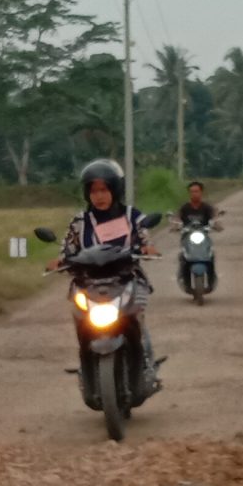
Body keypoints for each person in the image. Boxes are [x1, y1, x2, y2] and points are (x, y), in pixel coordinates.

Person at [58, 157, 163, 389]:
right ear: (87, 194)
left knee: (137, 319)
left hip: (127, 279)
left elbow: (145, 238)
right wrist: (59, 260)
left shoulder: (131, 216)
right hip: (89, 283)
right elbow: (67, 248)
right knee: (81, 321)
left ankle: (147, 366)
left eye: (104, 189)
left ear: (115, 190)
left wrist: (147, 247)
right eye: (94, 191)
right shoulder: (80, 222)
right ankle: (86, 369)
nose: (100, 196)